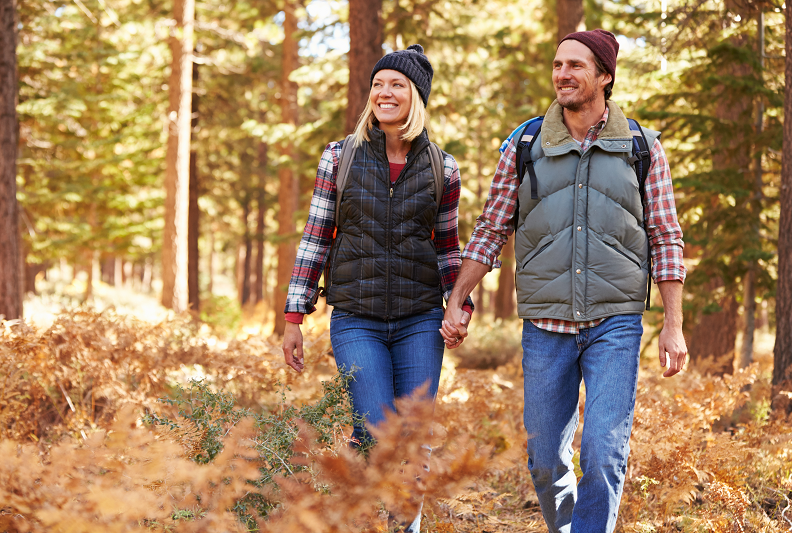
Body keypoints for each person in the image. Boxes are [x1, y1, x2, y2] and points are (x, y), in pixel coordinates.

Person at [441, 29, 688, 533]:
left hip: (614, 324)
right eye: (558, 65)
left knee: (602, 452)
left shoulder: (641, 146)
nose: (563, 75)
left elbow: (665, 235)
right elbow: (492, 226)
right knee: (544, 458)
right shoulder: (526, 142)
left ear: (604, 76)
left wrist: (673, 324)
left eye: (576, 65)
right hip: (545, 325)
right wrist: (457, 300)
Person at [282, 44, 473, 533]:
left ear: (416, 97)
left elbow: (448, 248)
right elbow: (316, 236)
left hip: (420, 321)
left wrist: (459, 305)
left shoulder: (442, 169)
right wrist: (294, 317)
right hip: (356, 318)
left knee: (412, 438)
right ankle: (372, 502)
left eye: (397, 86)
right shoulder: (339, 158)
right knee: (374, 431)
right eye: (378, 85)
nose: (385, 93)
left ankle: (401, 524)